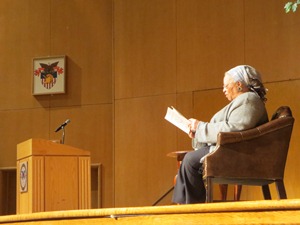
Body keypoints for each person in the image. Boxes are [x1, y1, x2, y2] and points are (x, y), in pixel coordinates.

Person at [172, 65, 269, 204]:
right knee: (189, 160)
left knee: (190, 160)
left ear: (239, 84)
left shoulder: (249, 99)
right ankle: (186, 209)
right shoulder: (244, 100)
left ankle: (192, 210)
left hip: (238, 154)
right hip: (232, 150)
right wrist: (197, 132)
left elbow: (234, 128)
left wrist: (200, 128)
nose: (223, 90)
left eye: (226, 86)